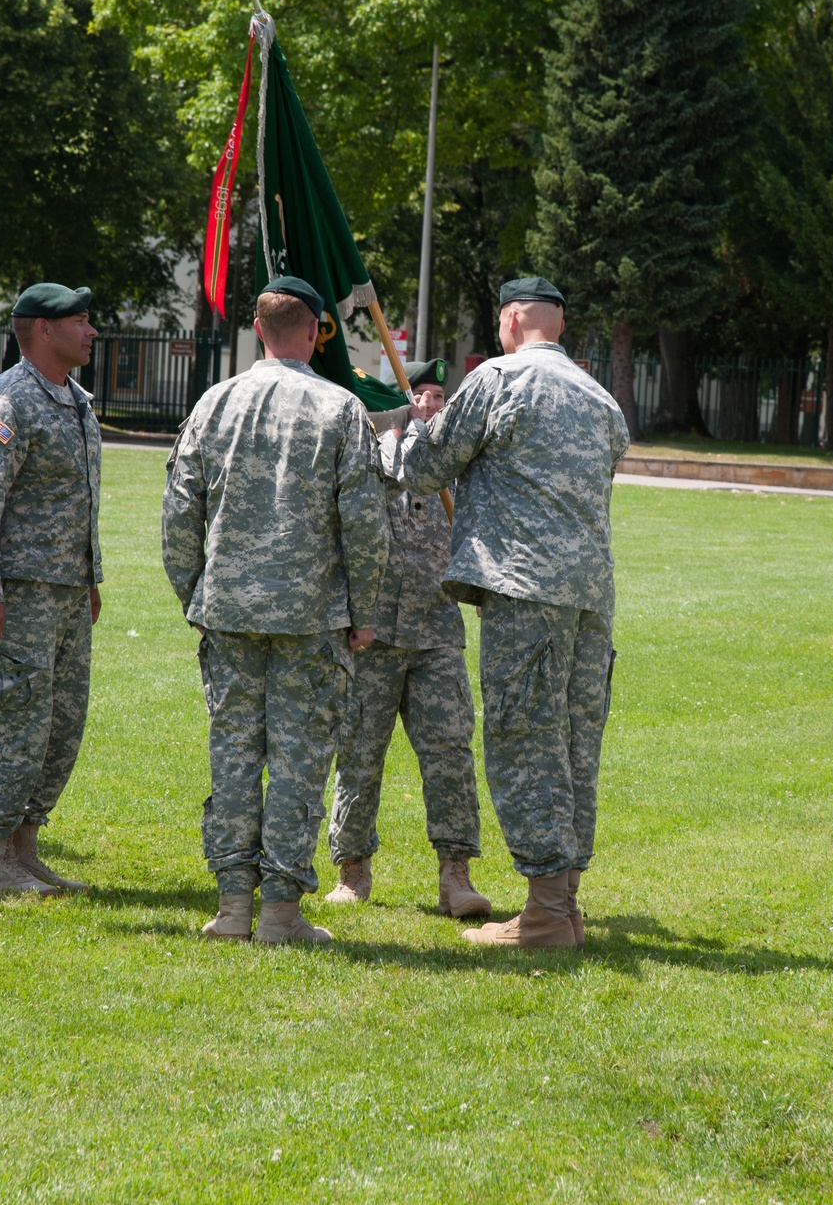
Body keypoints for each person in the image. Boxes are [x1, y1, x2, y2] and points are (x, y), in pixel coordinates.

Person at [381, 278, 630, 949]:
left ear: (514, 318)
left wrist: (399, 434)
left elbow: (426, 468)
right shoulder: (600, 397)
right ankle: (566, 902)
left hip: (524, 589)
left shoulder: (498, 379)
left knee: (526, 741)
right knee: (576, 745)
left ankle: (546, 915)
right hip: (590, 598)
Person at [162, 275, 388, 946]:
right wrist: (365, 608)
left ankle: (234, 907)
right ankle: (280, 915)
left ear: (258, 329)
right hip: (311, 619)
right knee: (298, 761)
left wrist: (194, 595)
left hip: (229, 612)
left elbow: (179, 512)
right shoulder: (340, 408)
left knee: (232, 755)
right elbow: (367, 524)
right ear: (317, 331)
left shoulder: (214, 403)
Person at [325, 357, 491, 920]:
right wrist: (395, 440)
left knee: (449, 752)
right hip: (370, 635)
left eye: (438, 396)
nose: (429, 403)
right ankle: (352, 872)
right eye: (419, 395)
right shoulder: (369, 457)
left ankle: (456, 877)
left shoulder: (456, 467)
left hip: (437, 631)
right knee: (359, 756)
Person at [0, 283, 102, 896]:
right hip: (18, 594)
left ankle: (25, 847)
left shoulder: (76, 401)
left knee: (61, 725)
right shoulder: (8, 403)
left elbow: (79, 501)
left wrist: (90, 579)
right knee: (18, 720)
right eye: (82, 321)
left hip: (67, 593)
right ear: (43, 329)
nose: (92, 332)